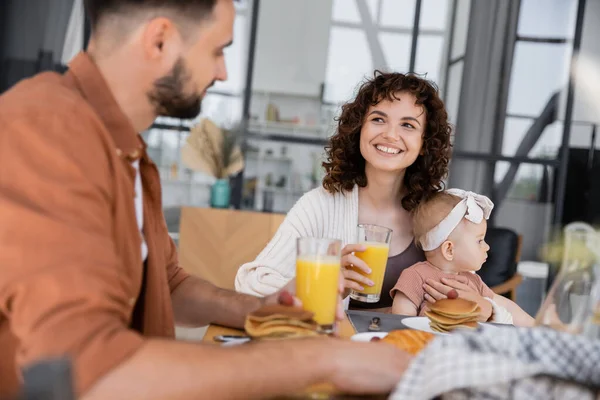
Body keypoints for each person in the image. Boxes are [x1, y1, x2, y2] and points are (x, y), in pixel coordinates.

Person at [0, 1, 412, 398]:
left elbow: (171, 286)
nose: (222, 71)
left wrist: (259, 307)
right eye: (217, 50)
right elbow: (85, 374)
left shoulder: (126, 150)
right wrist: (321, 361)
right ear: (159, 40)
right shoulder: (46, 132)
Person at [237, 70, 472, 312]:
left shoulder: (440, 216)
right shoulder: (319, 205)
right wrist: (324, 279)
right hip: (331, 344)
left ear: (424, 143)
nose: (391, 135)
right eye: (378, 119)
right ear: (359, 128)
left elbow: (469, 294)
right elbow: (250, 285)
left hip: (408, 347)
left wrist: (484, 306)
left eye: (407, 125)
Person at [391, 189, 535, 327]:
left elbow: (506, 306)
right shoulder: (415, 276)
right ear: (449, 249)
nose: (487, 247)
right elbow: (400, 320)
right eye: (480, 241)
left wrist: (538, 327)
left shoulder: (474, 281)